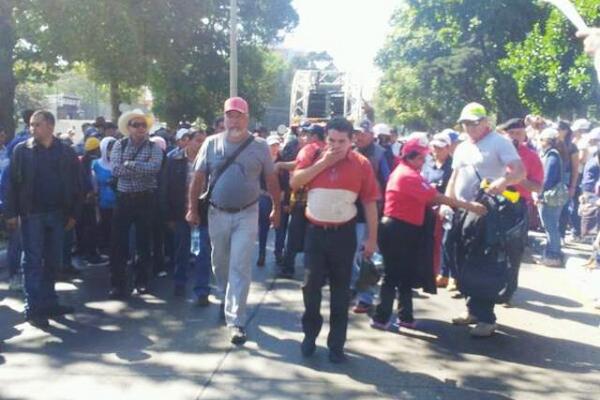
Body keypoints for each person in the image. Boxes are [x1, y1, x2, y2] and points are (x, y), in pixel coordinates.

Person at [186, 97, 281, 345]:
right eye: (230, 115)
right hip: (217, 213)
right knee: (220, 264)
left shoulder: (260, 146)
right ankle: (227, 297)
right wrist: (192, 209)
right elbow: (197, 179)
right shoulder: (210, 143)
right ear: (224, 118)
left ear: (246, 118)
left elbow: (271, 181)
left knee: (240, 265)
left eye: (238, 115)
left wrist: (277, 208)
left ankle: (236, 320)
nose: (234, 120)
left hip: (247, 213)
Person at [370, 138, 486, 331]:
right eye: (422, 157)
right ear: (413, 157)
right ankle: (382, 318)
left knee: (404, 275)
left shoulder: (409, 173)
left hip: (405, 228)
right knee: (393, 276)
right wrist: (468, 205)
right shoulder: (407, 175)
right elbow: (435, 197)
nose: (425, 161)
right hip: (398, 229)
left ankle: (404, 316)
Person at [290, 117, 379, 363]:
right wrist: (324, 162)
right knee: (310, 287)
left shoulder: (362, 164)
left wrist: (372, 239)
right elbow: (295, 182)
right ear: (325, 138)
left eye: (342, 141)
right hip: (316, 233)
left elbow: (370, 202)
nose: (336, 145)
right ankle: (310, 335)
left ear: (353, 141)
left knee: (341, 293)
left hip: (344, 234)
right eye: (332, 140)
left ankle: (336, 346)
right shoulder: (312, 154)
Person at [446, 103, 525, 337]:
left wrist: (503, 182)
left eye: (473, 122)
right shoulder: (461, 147)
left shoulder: (499, 142)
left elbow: (519, 171)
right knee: (460, 257)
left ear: (485, 122)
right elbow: (455, 175)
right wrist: (449, 203)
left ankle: (486, 317)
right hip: (463, 211)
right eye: (465, 123)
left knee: (483, 263)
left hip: (486, 213)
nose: (469, 127)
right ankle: (472, 309)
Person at [5, 110, 82, 328]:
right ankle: (34, 307)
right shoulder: (22, 150)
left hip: (58, 214)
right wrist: (11, 214)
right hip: (32, 214)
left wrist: (74, 214)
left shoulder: (66, 151)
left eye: (36, 124)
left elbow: (77, 184)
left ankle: (50, 302)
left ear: (49, 126)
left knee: (53, 260)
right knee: (32, 261)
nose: (32, 128)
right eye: (31, 125)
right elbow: (12, 183)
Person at [109, 109, 164, 299]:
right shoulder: (119, 145)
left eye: (143, 125)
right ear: (128, 128)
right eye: (136, 125)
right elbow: (115, 170)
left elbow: (155, 168)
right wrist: (142, 168)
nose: (140, 128)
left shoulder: (154, 147)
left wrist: (130, 164)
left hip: (145, 199)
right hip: (124, 199)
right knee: (118, 244)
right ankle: (117, 284)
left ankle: (142, 281)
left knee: (144, 242)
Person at [498, 118, 543, 305]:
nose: (516, 137)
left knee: (514, 251)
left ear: (525, 135)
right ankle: (491, 286)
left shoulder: (531, 156)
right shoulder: (497, 153)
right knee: (492, 247)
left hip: (517, 205)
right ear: (505, 135)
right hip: (496, 202)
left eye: (519, 133)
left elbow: (537, 187)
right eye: (512, 133)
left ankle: (508, 291)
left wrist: (518, 178)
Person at [167, 129, 211, 305]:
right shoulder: (174, 161)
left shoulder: (210, 161)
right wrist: (168, 214)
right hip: (181, 211)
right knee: (181, 249)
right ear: (188, 141)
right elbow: (166, 188)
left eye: (204, 141)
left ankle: (202, 290)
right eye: (198, 140)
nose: (201, 144)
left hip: (204, 213)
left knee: (203, 252)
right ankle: (180, 281)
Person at [537, 128, 568, 267]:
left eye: (541, 139)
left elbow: (547, 179)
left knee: (550, 226)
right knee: (551, 225)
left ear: (546, 141)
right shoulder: (555, 154)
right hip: (554, 196)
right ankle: (551, 253)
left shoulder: (552, 156)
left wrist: (539, 193)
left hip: (550, 197)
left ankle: (553, 255)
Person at [257, 135, 281, 266]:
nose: (274, 148)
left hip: (280, 197)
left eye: (276, 145)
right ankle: (261, 254)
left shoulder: (283, 160)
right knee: (263, 227)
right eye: (272, 145)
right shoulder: (261, 161)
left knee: (279, 227)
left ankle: (278, 253)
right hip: (264, 197)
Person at [92, 137, 117, 255]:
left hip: (118, 203)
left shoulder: (119, 164)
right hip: (102, 203)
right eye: (109, 149)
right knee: (104, 227)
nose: (111, 152)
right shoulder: (96, 164)